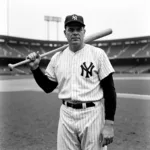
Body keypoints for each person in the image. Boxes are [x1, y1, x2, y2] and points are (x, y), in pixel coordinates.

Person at [27, 14, 117, 150]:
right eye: (71, 29)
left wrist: (109, 123)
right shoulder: (57, 58)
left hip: (92, 115)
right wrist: (35, 69)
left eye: (78, 29)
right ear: (65, 33)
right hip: (66, 115)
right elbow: (47, 87)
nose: (75, 32)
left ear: (84, 32)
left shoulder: (98, 54)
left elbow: (110, 90)